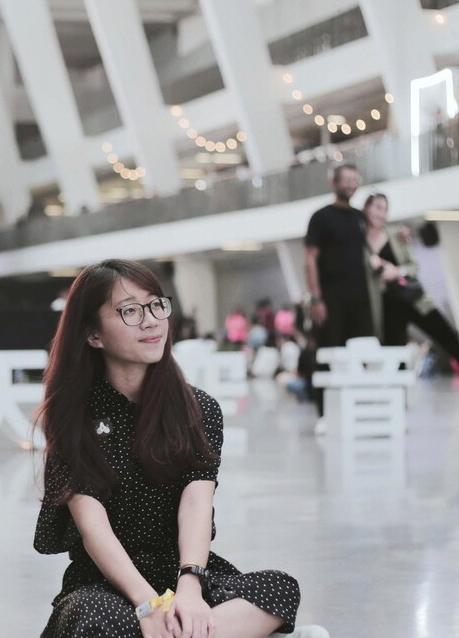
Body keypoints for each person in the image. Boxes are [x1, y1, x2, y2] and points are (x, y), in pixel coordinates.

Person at [33, 259, 329, 638]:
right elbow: (94, 529)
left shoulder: (197, 408)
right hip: (106, 583)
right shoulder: (72, 417)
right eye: (130, 311)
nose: (151, 321)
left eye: (156, 305)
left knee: (279, 589)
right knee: (93, 618)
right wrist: (147, 604)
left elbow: (196, 504)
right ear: (93, 335)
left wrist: (190, 587)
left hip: (181, 571)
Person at [304, 164, 374, 431]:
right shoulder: (321, 217)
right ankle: (325, 414)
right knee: (327, 355)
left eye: (355, 180)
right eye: (346, 180)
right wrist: (316, 298)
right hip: (331, 300)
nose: (351, 184)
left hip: (360, 299)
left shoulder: (359, 217)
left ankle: (358, 410)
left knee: (361, 355)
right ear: (333, 183)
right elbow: (310, 259)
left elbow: (378, 240)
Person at [363, 193, 459, 368]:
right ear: (366, 208)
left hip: (412, 298)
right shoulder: (360, 243)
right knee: (394, 357)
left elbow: (414, 267)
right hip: (387, 305)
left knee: (448, 337)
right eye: (377, 207)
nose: (381, 213)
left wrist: (396, 271)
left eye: (385, 209)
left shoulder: (396, 234)